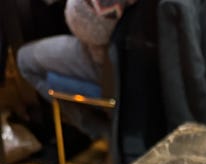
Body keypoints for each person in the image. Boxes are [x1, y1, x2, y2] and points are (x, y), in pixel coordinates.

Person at [16, 0, 137, 143]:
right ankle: (112, 133)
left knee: (25, 61)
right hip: (138, 56)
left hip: (111, 64)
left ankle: (108, 133)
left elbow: (97, 33)